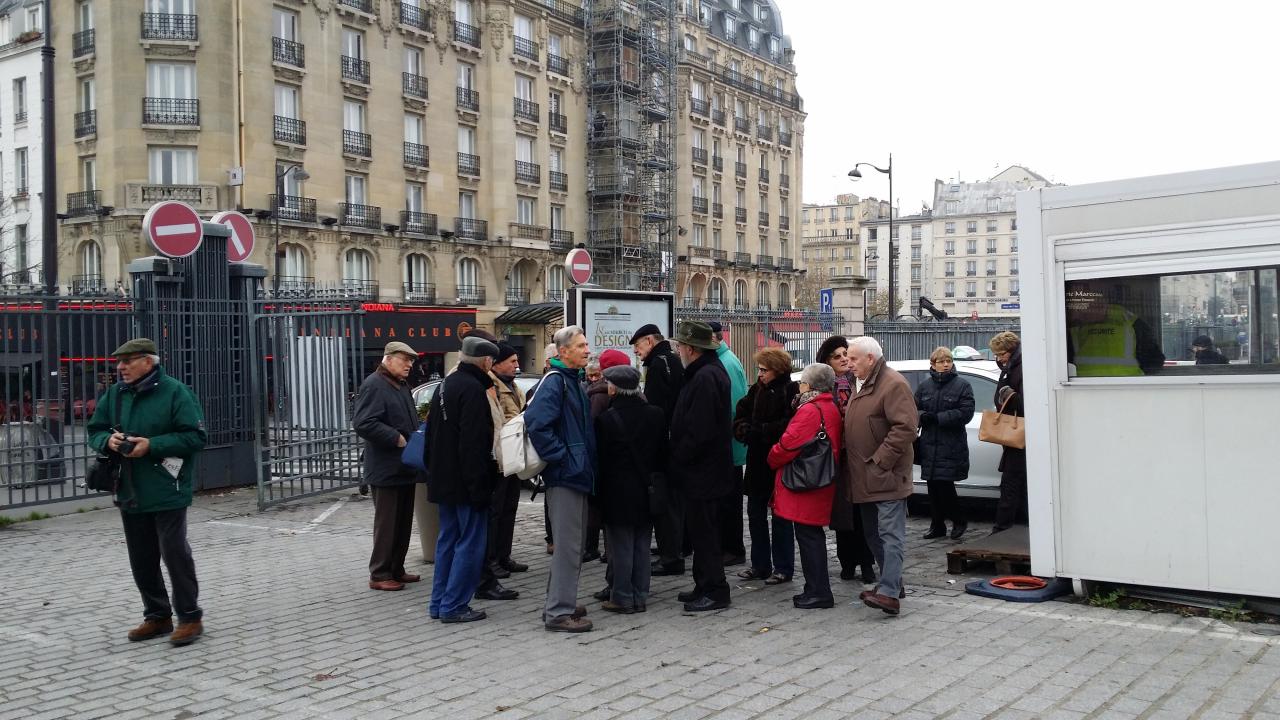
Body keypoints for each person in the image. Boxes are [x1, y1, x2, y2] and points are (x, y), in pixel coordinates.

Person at [87, 338, 208, 646]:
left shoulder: (176, 392)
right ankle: (157, 616)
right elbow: (95, 429)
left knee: (174, 553)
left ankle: (190, 618)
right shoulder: (115, 394)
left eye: (128, 361)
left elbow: (195, 437)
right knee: (141, 557)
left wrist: (151, 445)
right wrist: (108, 442)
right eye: (119, 362)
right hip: (128, 487)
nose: (121, 367)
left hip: (167, 487)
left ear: (148, 362)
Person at [526, 325, 597, 633]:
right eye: (581, 346)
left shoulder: (570, 380)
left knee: (573, 545)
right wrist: (565, 457)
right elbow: (537, 425)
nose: (587, 350)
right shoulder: (556, 382)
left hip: (574, 472)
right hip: (566, 475)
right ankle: (558, 612)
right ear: (563, 351)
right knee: (568, 546)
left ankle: (560, 601)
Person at [426, 336, 501, 623]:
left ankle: (439, 602)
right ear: (485, 361)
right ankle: (454, 604)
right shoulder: (473, 389)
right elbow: (473, 445)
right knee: (470, 543)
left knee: (447, 541)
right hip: (466, 482)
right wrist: (479, 486)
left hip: (444, 479)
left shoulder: (446, 385)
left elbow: (431, 435)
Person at [844, 336, 917, 616]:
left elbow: (905, 428)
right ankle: (892, 584)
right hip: (865, 476)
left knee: (889, 534)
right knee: (873, 533)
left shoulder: (893, 383)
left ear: (870, 359)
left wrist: (880, 462)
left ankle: (888, 592)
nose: (848, 363)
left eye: (853, 359)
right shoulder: (862, 382)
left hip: (884, 475)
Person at [669, 320, 734, 612]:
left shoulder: (706, 376)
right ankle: (703, 584)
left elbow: (700, 429)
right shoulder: (701, 372)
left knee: (706, 533)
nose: (679, 350)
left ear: (692, 349)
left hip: (704, 471)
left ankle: (716, 590)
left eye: (681, 346)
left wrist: (680, 456)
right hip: (703, 469)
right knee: (699, 531)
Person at [768, 363, 842, 610]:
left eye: (802, 382)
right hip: (820, 479)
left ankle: (818, 591)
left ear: (809, 385)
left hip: (806, 483)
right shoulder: (829, 405)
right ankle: (815, 589)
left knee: (808, 537)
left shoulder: (810, 409)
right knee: (812, 536)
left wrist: (772, 456)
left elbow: (789, 444)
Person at [353, 341, 424, 593]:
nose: (409, 365)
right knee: (387, 523)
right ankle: (380, 572)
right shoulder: (374, 384)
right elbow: (363, 422)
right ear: (388, 358)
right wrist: (396, 437)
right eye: (405, 359)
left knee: (403, 522)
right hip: (385, 467)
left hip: (404, 465)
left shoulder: (400, 385)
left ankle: (396, 568)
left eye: (411, 361)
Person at [594, 365, 665, 614]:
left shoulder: (606, 420)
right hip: (648, 490)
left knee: (621, 546)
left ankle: (623, 597)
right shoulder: (656, 414)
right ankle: (640, 594)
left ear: (613, 388)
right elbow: (661, 454)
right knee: (642, 545)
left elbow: (600, 460)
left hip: (617, 492)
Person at [733, 347, 797, 585]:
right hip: (757, 462)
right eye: (759, 370)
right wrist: (743, 429)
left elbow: (790, 425)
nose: (760, 374)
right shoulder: (756, 390)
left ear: (777, 370)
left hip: (779, 461)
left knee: (781, 516)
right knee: (755, 514)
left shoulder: (790, 391)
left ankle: (783, 567)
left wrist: (761, 431)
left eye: (764, 370)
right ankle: (759, 564)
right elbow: (741, 414)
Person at [817, 336, 876, 584]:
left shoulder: (860, 382)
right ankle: (847, 562)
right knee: (842, 516)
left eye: (845, 354)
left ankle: (867, 564)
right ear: (827, 362)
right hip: (837, 459)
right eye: (837, 356)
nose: (843, 359)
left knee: (863, 514)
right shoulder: (824, 387)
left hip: (859, 456)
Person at [630, 323, 686, 577]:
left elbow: (656, 409)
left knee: (665, 502)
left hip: (664, 442)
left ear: (650, 341)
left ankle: (670, 556)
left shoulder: (657, 365)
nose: (636, 352)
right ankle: (673, 549)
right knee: (672, 500)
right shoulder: (671, 359)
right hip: (674, 439)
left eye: (638, 346)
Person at [914, 347, 975, 540]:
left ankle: (959, 520)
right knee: (932, 487)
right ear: (933, 364)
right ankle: (937, 524)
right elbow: (914, 409)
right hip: (929, 444)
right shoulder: (925, 386)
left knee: (945, 486)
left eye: (948, 360)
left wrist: (939, 418)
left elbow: (966, 412)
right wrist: (923, 416)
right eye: (941, 361)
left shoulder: (962, 385)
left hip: (950, 444)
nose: (946, 364)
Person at [484, 343, 528, 581]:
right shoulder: (492, 387)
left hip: (515, 456)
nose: (516, 365)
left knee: (510, 509)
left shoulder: (513, 385)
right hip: (499, 458)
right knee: (496, 511)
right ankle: (492, 559)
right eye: (512, 361)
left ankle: (504, 555)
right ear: (497, 362)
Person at [710, 321, 748, 567]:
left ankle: (733, 549)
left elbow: (734, 409)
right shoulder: (722, 360)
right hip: (728, 447)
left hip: (730, 448)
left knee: (730, 502)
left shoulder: (727, 363)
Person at [989, 331, 1027, 533]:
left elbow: (1023, 403)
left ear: (1011, 351)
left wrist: (1007, 394)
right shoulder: (1010, 368)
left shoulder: (1019, 370)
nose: (999, 358)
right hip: (1015, 435)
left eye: (1001, 354)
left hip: (1018, 435)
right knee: (1014, 483)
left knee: (1011, 483)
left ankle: (1002, 528)